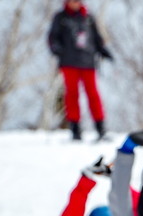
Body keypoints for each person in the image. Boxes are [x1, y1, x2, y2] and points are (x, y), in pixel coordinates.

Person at [47, 0, 112, 141]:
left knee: (93, 94)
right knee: (72, 95)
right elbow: (52, 37)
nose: (75, 3)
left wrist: (104, 51)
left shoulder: (88, 17)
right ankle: (75, 129)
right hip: (68, 62)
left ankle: (100, 128)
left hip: (88, 62)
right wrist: (57, 49)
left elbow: (96, 38)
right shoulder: (61, 17)